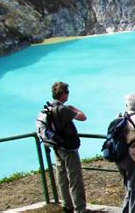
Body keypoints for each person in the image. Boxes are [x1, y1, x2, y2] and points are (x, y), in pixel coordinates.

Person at [50, 81, 87, 213]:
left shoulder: (50, 107)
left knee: (61, 176)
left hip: (57, 146)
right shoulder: (63, 109)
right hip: (68, 148)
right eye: (67, 92)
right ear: (63, 94)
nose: (68, 94)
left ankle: (67, 204)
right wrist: (73, 108)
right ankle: (80, 208)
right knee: (75, 178)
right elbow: (83, 117)